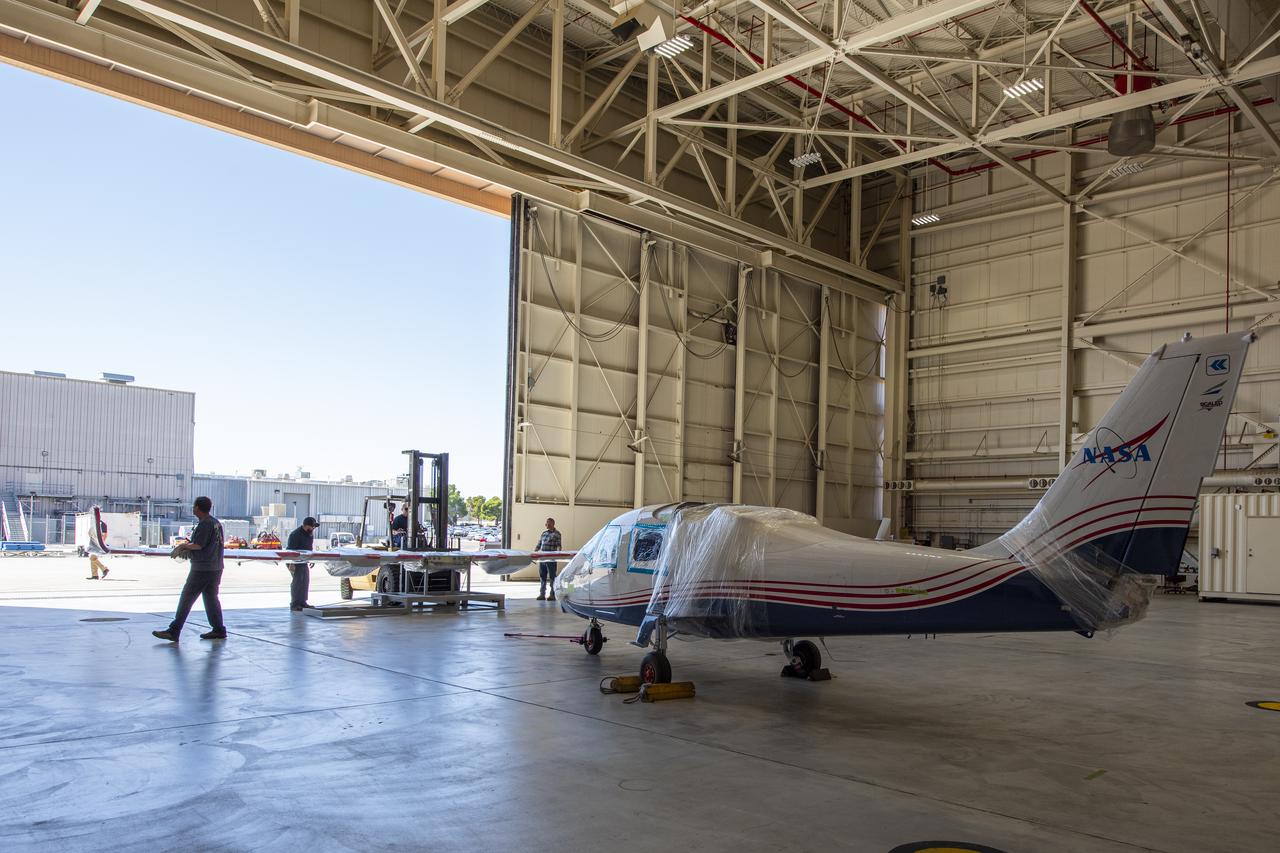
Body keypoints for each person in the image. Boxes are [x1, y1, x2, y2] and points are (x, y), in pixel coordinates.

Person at [152, 496, 226, 642]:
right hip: (215, 567)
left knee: (187, 598)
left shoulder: (205, 524)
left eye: (194, 506)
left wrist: (183, 546)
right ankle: (218, 629)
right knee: (211, 598)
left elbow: (199, 545)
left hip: (202, 568)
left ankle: (174, 630)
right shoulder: (216, 523)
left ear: (198, 508)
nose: (193, 509)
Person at [285, 517, 319, 611]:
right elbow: (291, 550)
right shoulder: (295, 534)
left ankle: (303, 602)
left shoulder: (309, 534)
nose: (313, 529)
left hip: (303, 560)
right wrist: (292, 564)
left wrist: (311, 559)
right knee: (297, 581)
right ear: (306, 526)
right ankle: (295, 604)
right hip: (294, 561)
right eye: (312, 527)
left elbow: (309, 548)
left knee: (305, 580)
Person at [536, 517, 561, 602]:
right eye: (546, 523)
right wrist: (534, 552)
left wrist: (559, 554)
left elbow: (559, 546)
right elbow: (539, 544)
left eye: (548, 523)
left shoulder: (557, 534)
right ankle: (542, 594)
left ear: (553, 524)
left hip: (551, 559)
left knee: (552, 576)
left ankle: (552, 594)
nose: (547, 525)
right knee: (542, 576)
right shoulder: (544, 533)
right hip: (542, 558)